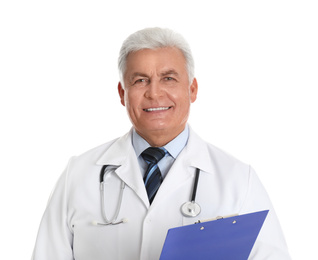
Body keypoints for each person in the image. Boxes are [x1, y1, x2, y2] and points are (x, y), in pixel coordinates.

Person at [32, 27, 291, 259]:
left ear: (192, 89)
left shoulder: (237, 179)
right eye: (140, 80)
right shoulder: (78, 174)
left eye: (168, 78)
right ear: (123, 94)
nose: (154, 93)